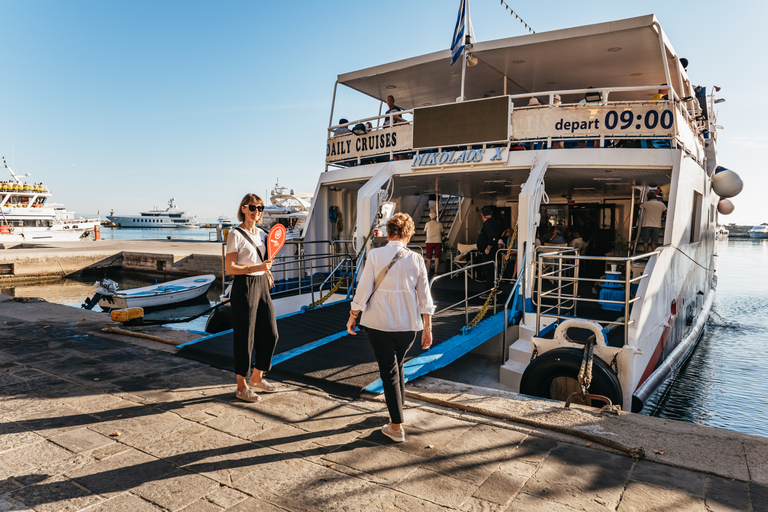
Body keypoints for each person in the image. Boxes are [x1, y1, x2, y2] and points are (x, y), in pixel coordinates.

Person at [346, 213, 434, 443]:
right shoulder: (416, 259)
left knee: (389, 372)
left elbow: (364, 289)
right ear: (409, 233)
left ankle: (396, 427)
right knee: (398, 366)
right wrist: (428, 327)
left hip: (379, 324)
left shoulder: (375, 255)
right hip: (408, 327)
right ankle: (399, 409)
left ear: (388, 232)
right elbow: (425, 296)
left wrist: (353, 315)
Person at [225, 193, 280, 402]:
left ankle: (257, 377)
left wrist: (266, 272)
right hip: (244, 286)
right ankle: (241, 386)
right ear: (243, 209)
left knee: (271, 333)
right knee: (244, 337)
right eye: (252, 207)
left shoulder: (263, 234)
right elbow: (229, 267)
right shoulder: (235, 234)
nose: (256, 211)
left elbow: (264, 259)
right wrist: (257, 268)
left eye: (260, 208)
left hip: (261, 284)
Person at [476, 205, 502, 290]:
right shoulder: (493, 222)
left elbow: (492, 237)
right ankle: (491, 288)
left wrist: (488, 248)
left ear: (482, 214)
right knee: (491, 270)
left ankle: (490, 290)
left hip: (489, 252)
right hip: (491, 251)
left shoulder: (488, 224)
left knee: (489, 270)